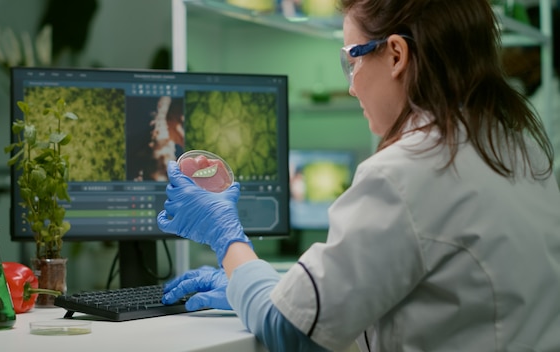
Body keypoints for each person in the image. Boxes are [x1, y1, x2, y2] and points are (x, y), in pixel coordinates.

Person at [157, 0, 560, 351]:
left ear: (397, 55)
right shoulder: (518, 149)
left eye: (351, 60)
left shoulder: (407, 172)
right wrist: (253, 287)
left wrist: (227, 239)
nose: (350, 87)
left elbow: (291, 332)